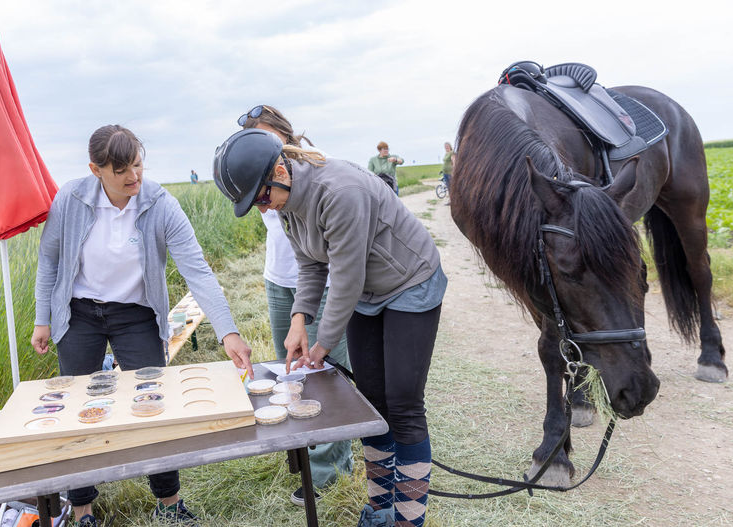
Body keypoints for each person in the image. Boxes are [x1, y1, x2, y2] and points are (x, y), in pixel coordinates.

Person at [213, 128, 446, 527]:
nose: (263, 209)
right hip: (369, 294)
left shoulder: (340, 192)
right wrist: (300, 319)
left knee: (403, 403)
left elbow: (346, 278)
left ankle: (408, 520)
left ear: (279, 172)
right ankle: (379, 509)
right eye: (255, 204)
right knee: (372, 402)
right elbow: (311, 264)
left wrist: (322, 344)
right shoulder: (286, 205)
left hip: (409, 282)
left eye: (262, 198)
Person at [31, 124, 254, 527]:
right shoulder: (71, 198)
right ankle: (82, 508)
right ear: (96, 170)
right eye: (121, 170)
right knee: (79, 406)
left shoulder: (160, 204)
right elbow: (49, 260)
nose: (133, 176)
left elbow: (197, 271)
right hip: (79, 313)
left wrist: (228, 331)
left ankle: (169, 502)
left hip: (137, 314)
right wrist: (42, 318)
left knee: (153, 402)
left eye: (137, 165)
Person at [237, 104, 354, 505]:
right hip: (280, 281)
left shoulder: (313, 171)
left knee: (325, 373)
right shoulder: (258, 181)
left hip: (318, 281)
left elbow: (330, 254)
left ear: (285, 136)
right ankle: (301, 453)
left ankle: (330, 469)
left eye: (269, 137)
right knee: (290, 375)